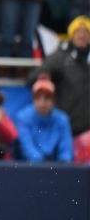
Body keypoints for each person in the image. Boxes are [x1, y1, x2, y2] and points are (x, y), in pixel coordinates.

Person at [31, 16, 90, 162]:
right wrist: (45, 76)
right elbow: (33, 78)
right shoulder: (61, 57)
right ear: (71, 34)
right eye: (78, 31)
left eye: (86, 32)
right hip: (67, 127)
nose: (82, 35)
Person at [15, 78, 75, 162]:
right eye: (38, 97)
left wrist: (63, 164)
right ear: (33, 99)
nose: (42, 102)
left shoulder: (62, 119)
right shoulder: (22, 117)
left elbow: (66, 151)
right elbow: (27, 148)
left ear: (53, 100)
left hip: (57, 166)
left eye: (47, 97)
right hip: (30, 166)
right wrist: (43, 165)